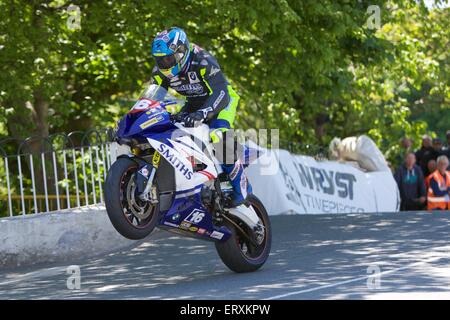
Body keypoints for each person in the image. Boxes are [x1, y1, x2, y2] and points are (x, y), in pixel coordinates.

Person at [150, 27, 251, 206]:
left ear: (181, 52)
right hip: (194, 102)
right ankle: (201, 176)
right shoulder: (160, 72)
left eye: (168, 58)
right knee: (171, 130)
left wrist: (204, 113)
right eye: (160, 60)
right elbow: (153, 98)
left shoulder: (203, 61)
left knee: (218, 134)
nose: (165, 64)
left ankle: (241, 186)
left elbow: (221, 92)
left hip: (222, 99)